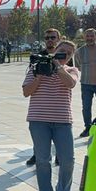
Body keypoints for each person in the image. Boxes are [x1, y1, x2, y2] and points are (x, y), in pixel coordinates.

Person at [22, 40, 78, 191]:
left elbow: (71, 83)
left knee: (68, 159)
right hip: (39, 120)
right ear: (55, 50)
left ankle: (64, 190)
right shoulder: (36, 67)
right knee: (43, 159)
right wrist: (39, 75)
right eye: (62, 51)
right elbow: (26, 92)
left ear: (71, 57)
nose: (64, 55)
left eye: (68, 53)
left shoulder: (71, 70)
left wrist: (58, 67)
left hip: (63, 121)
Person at [26, 28, 61, 166]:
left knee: (60, 134)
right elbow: (30, 78)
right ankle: (37, 154)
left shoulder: (64, 56)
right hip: (41, 103)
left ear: (58, 39)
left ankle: (59, 155)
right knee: (39, 134)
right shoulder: (38, 57)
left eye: (53, 37)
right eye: (47, 38)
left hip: (59, 101)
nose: (50, 40)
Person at [76, 28, 96, 138]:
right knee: (86, 107)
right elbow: (78, 66)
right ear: (84, 37)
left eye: (91, 36)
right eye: (87, 36)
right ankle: (87, 128)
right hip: (86, 84)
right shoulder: (80, 51)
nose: (89, 38)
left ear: (95, 37)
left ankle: (95, 123)